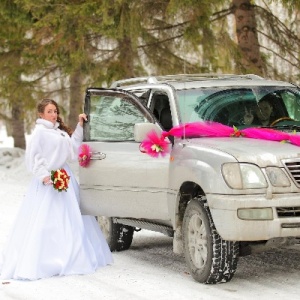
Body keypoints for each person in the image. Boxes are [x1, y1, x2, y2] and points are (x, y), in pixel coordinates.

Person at [0, 99, 113, 280]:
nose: (54, 115)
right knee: (47, 220)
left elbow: (72, 148)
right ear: (41, 114)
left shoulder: (57, 131)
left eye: (55, 111)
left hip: (65, 178)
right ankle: (48, 260)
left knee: (72, 219)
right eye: (50, 111)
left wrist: (80, 125)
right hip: (48, 181)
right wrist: (45, 176)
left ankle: (74, 255)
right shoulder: (40, 132)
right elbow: (33, 157)